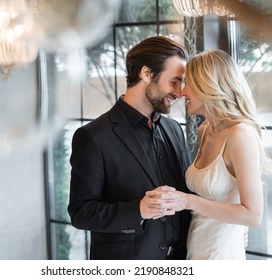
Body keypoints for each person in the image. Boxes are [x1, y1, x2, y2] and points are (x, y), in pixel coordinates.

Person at [67, 36, 192, 260]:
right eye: (174, 81)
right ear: (146, 73)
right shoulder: (92, 137)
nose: (180, 92)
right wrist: (138, 210)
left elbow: (189, 196)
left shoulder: (175, 130)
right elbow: (80, 213)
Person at [146, 49, 272, 259]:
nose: (182, 92)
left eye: (188, 83)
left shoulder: (240, 135)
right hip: (196, 247)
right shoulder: (205, 129)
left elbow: (253, 216)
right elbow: (214, 199)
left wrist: (187, 201)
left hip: (222, 254)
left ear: (208, 86)